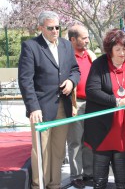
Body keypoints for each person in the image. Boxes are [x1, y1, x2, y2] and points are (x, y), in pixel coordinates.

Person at [18, 10, 80, 189]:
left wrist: (71, 81)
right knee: (41, 151)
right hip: (41, 109)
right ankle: (39, 185)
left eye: (58, 27)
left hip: (63, 105)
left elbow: (75, 70)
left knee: (58, 150)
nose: (55, 31)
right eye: (50, 28)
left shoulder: (67, 45)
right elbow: (25, 80)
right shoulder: (31, 46)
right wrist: (33, 107)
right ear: (41, 28)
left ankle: (54, 185)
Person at [84, 29, 125, 189]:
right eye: (118, 49)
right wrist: (116, 101)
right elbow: (91, 91)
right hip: (103, 126)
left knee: (122, 173)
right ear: (110, 49)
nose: (121, 53)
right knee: (100, 176)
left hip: (124, 125)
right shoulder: (99, 64)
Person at [66, 24, 96, 188]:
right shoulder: (66, 56)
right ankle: (76, 175)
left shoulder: (90, 55)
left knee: (89, 140)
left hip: (92, 103)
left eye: (87, 37)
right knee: (75, 141)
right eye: (83, 38)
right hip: (75, 104)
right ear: (73, 39)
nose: (87, 40)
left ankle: (88, 173)